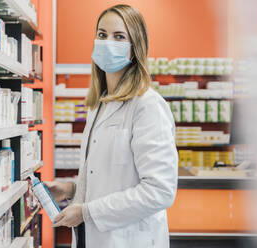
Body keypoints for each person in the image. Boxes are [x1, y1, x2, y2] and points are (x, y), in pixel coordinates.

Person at [46, 4, 178, 248]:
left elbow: (160, 191)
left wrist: (87, 212)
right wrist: (70, 189)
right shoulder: (99, 105)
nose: (107, 42)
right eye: (102, 34)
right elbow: (108, 177)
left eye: (119, 36)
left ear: (135, 47)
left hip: (129, 240)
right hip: (91, 239)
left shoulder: (147, 106)